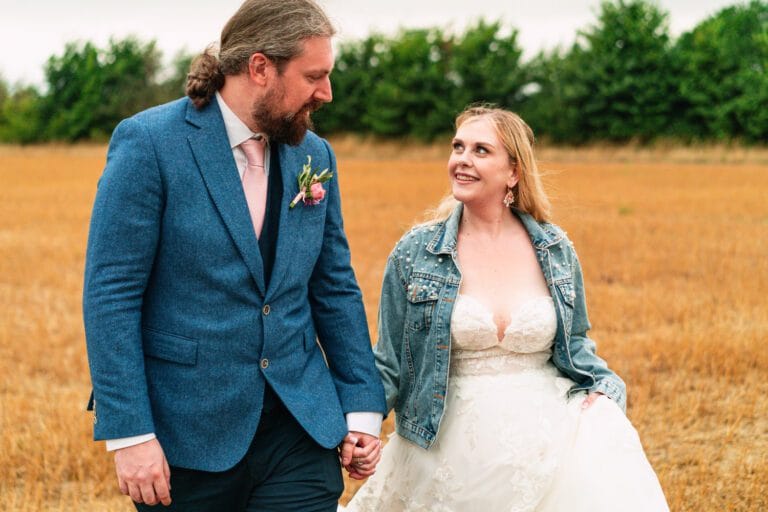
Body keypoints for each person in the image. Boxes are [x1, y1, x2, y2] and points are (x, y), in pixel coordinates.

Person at [82, 1, 386, 510]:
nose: (326, 93)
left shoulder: (315, 155)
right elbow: (111, 294)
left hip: (300, 428)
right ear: (260, 67)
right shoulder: (149, 143)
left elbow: (333, 285)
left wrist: (361, 408)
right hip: (186, 435)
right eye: (314, 76)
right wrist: (130, 433)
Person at [344, 106, 668, 511]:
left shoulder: (554, 249)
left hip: (548, 437)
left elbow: (576, 343)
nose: (462, 159)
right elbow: (390, 360)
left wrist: (605, 389)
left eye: (480, 150)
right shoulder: (416, 253)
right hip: (446, 444)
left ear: (514, 172)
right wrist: (364, 426)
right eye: (458, 147)